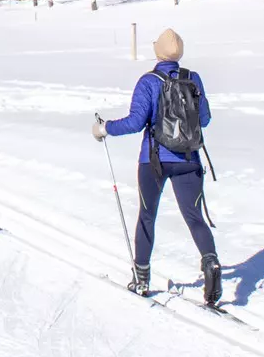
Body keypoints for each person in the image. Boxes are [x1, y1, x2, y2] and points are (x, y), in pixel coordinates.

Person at [94, 27, 220, 305]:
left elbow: (135, 122)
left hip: (153, 160)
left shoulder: (149, 81)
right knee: (195, 216)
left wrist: (105, 128)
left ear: (157, 51)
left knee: (147, 215)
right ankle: (211, 262)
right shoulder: (193, 78)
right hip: (189, 159)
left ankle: (141, 278)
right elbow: (205, 119)